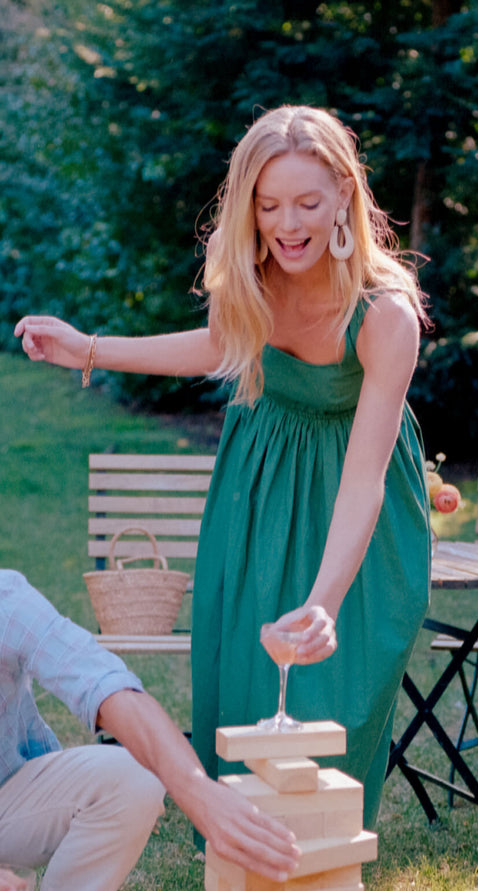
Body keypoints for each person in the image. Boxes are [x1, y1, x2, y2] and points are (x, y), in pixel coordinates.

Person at [16, 106, 432, 829]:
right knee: (239, 677)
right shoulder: (255, 279)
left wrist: (325, 601)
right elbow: (213, 347)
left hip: (357, 505)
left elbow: (364, 481)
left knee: (336, 691)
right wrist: (87, 347)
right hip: (260, 486)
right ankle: (235, 877)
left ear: (344, 194)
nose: (288, 224)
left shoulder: (385, 315)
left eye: (306, 202)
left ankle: (318, 873)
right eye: (269, 206)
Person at [0, 569, 300, 891]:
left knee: (131, 779)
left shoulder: (7, 602)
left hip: (10, 798)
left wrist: (198, 792)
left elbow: (99, 679)